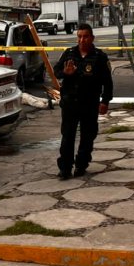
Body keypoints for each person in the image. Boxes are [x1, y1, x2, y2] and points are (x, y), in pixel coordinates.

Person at [53, 23, 113, 180]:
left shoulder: (100, 57)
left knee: (88, 136)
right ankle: (65, 168)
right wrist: (65, 73)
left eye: (85, 36)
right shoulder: (69, 53)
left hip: (90, 104)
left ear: (92, 38)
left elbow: (107, 82)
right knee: (67, 136)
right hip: (70, 103)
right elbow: (56, 71)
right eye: (79, 36)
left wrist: (105, 101)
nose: (82, 40)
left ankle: (81, 165)